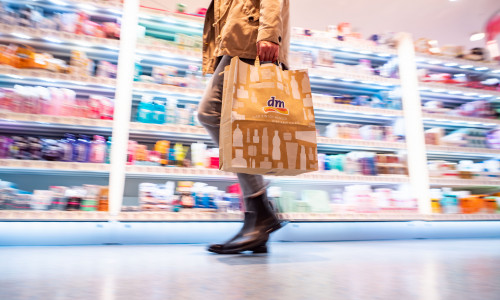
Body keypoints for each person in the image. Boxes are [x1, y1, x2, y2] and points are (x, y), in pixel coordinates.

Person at [198, 0, 290, 254]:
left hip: (249, 40)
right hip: (239, 39)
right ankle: (256, 218)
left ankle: (260, 212)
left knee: (210, 113)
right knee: (233, 123)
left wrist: (269, 33)